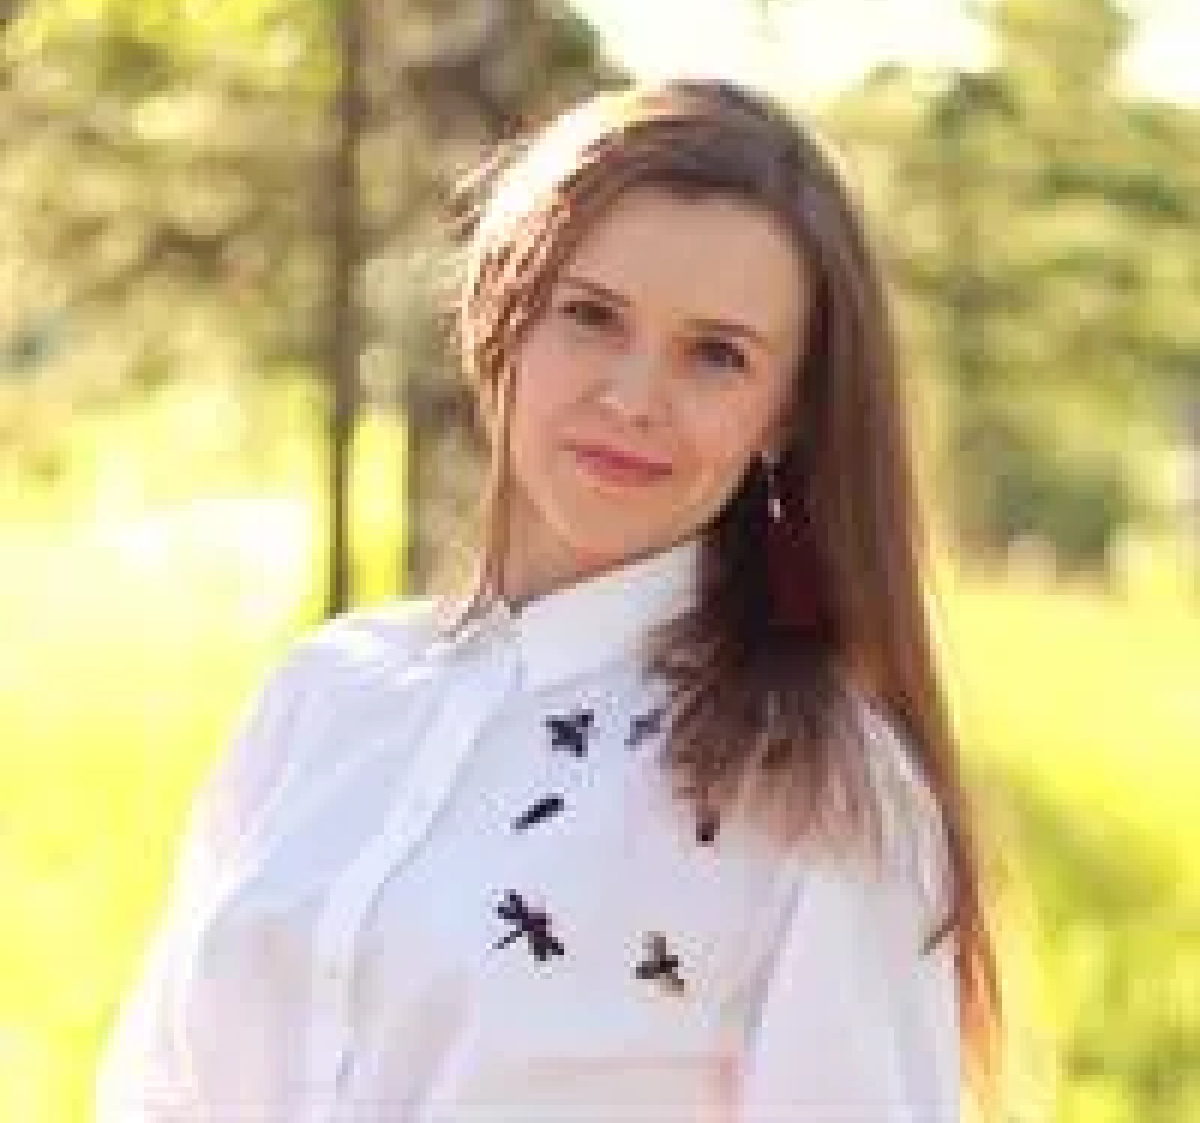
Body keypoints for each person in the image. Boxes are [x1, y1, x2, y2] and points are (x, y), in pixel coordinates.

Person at [96, 79, 1002, 1122]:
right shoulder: (325, 694)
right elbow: (157, 1087)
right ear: (504, 315)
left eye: (716, 355)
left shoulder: (825, 794)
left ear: (785, 414)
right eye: (591, 317)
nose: (632, 398)